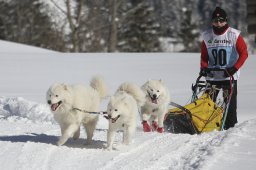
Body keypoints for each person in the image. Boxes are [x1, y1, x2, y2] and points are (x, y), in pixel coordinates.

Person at [199, 7, 248, 130]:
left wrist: (234, 68)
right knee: (208, 105)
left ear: (226, 20)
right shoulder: (207, 36)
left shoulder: (234, 34)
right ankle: (206, 125)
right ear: (212, 21)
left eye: (221, 20)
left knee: (230, 107)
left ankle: (229, 129)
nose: (218, 23)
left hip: (229, 76)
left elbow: (244, 54)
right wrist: (204, 68)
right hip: (212, 76)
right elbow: (204, 56)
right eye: (216, 20)